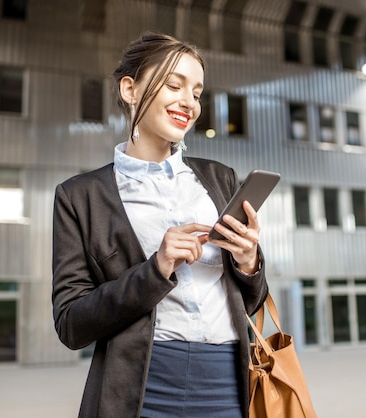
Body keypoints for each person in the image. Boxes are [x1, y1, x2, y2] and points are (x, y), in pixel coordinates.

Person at [51, 32, 268, 418]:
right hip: (140, 390)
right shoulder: (80, 197)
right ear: (130, 89)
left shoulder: (219, 179)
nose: (190, 102)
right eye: (174, 85)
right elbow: (71, 324)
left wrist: (249, 261)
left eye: (198, 92)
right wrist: (156, 268)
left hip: (227, 383)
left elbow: (248, 302)